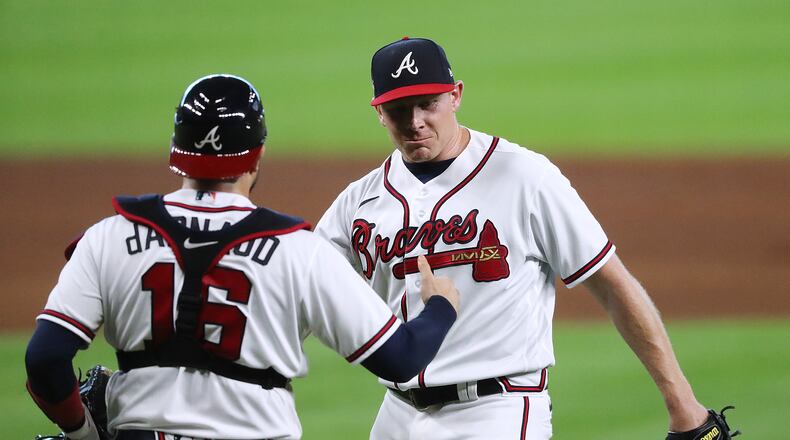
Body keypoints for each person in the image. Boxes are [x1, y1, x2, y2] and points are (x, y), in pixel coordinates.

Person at [315, 37, 725, 439]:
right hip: (397, 415)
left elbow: (612, 283)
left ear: (456, 96)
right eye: (399, 109)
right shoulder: (360, 199)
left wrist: (682, 403)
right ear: (379, 113)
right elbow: (298, 284)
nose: (416, 121)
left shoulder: (525, 177)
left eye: (428, 103)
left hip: (497, 412)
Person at [25, 74, 461, 440]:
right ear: (258, 152)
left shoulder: (108, 237)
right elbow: (402, 358)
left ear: (176, 150)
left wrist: (83, 432)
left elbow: (44, 361)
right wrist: (440, 307)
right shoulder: (299, 251)